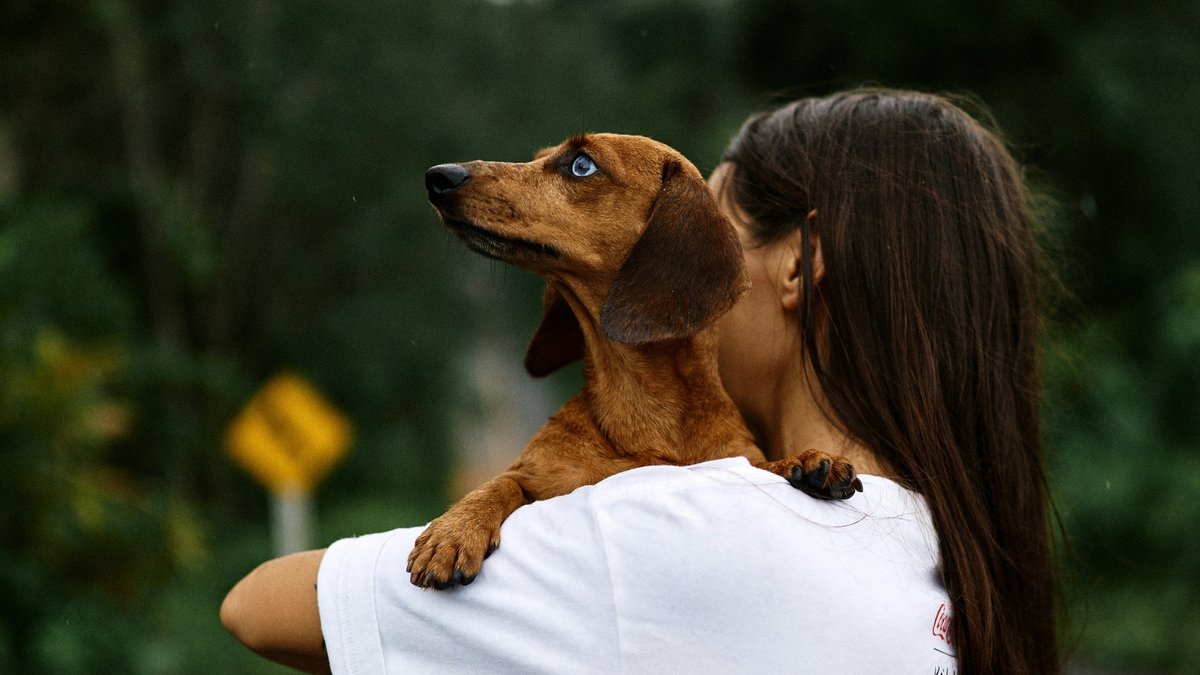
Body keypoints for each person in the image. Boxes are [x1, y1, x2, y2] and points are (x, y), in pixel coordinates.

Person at [221, 88, 1059, 674]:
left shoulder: (665, 531)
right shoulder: (939, 554)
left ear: (800, 264)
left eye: (717, 236)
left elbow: (259, 607)